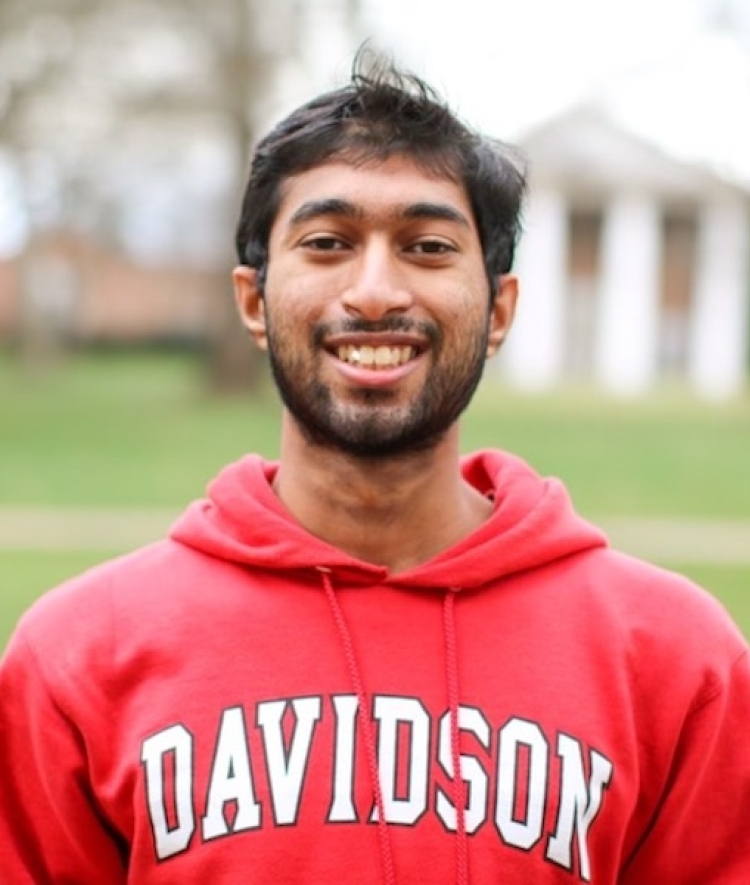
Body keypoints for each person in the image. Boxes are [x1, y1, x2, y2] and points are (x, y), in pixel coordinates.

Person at [1, 52, 749, 885]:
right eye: (328, 242)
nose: (375, 291)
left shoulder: (677, 661)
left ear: (498, 309)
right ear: (252, 301)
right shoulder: (79, 657)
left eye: (428, 245)